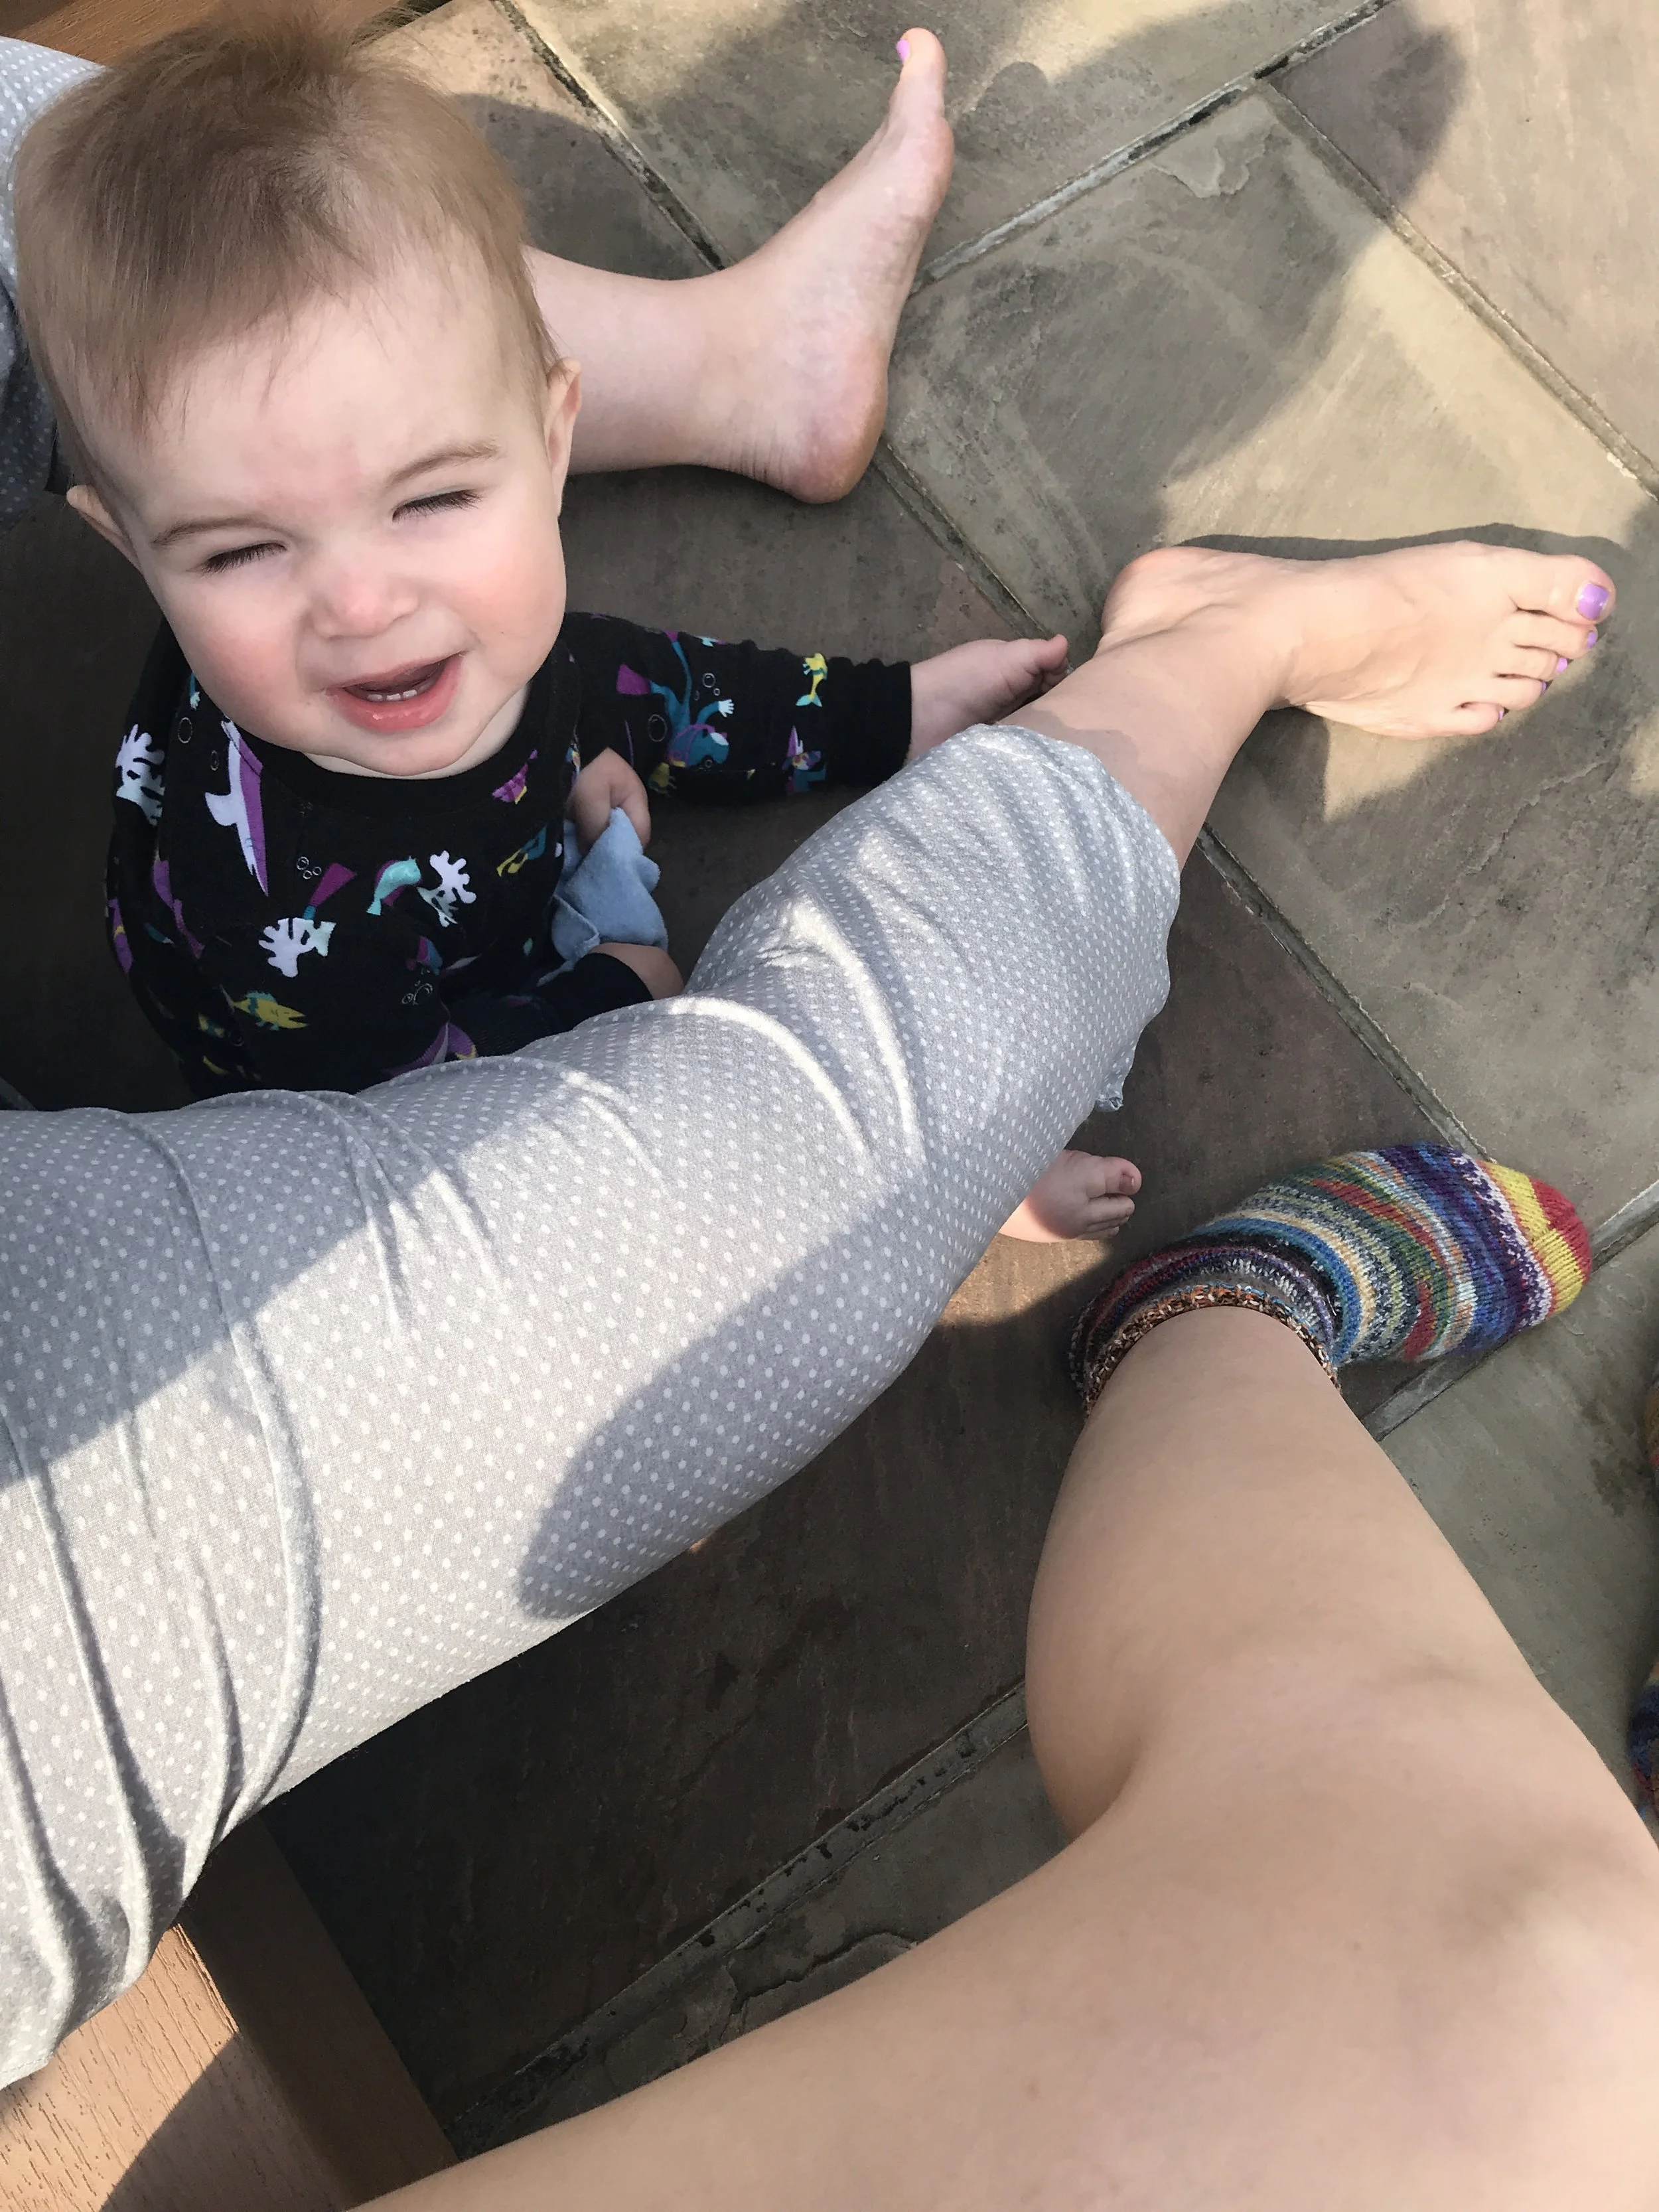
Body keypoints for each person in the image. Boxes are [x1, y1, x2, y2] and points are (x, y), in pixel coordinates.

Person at [9, 11, 1139, 1242]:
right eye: (239, 549)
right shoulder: (278, 914)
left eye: (432, 497)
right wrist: (609, 991)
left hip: (477, 879)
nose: (363, 605)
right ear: (130, 550)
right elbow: (415, 1121)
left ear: (557, 444)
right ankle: (922, 1177)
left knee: (599, 681)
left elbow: (645, 683)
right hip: (358, 1061)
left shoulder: (472, 643)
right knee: (647, 1128)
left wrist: (886, 712)